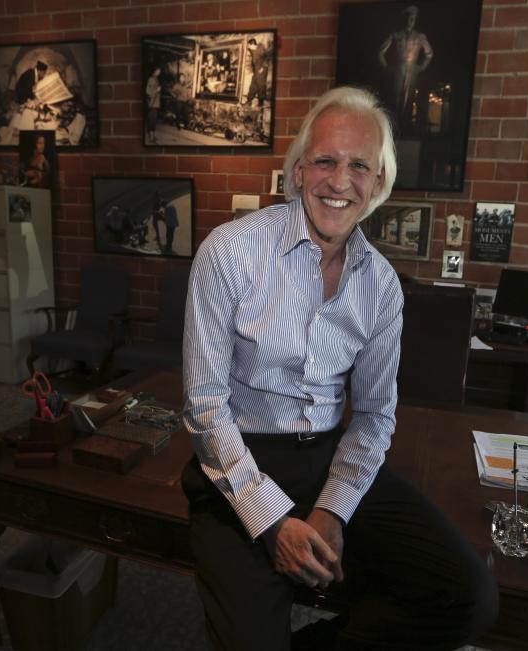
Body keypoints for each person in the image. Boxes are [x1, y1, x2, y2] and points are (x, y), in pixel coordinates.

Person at [182, 86, 497, 651]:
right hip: (238, 462)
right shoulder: (228, 252)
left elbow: (375, 415)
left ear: (379, 183)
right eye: (325, 161)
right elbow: (206, 409)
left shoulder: (381, 285)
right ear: (299, 171)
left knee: (467, 596)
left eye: (359, 165)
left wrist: (333, 508)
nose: (339, 180)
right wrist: (272, 519)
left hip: (330, 456)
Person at [378, 4, 433, 129]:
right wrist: (387, 67)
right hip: (397, 71)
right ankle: (394, 127)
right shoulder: (396, 35)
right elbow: (381, 52)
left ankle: (406, 126)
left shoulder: (420, 36)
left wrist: (421, 67)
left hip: (412, 72)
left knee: (409, 100)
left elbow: (429, 54)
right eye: (409, 18)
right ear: (405, 19)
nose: (411, 20)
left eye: (413, 18)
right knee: (395, 99)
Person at [245, 38, 272, 106]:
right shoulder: (253, 50)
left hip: (261, 70)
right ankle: (249, 100)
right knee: (253, 85)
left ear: (253, 44)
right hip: (256, 70)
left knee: (261, 86)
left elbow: (267, 57)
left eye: (249, 45)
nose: (249, 47)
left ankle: (261, 102)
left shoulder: (260, 49)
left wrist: (263, 67)